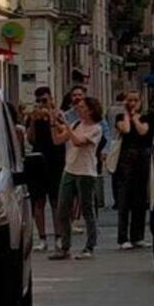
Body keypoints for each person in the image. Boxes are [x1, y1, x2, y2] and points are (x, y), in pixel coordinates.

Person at [50, 97, 104, 260]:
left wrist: (65, 123)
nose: (78, 110)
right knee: (62, 209)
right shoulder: (76, 125)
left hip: (86, 172)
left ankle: (90, 246)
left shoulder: (96, 128)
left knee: (87, 209)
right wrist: (53, 123)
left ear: (91, 110)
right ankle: (65, 247)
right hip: (70, 169)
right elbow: (58, 140)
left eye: (82, 107)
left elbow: (78, 142)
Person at [26, 87, 66, 252]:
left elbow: (62, 134)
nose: (42, 104)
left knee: (56, 200)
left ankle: (58, 236)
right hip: (38, 159)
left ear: (51, 99)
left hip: (55, 160)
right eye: (39, 101)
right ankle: (42, 238)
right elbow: (30, 139)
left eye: (44, 100)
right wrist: (34, 121)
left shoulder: (59, 115)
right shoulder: (33, 117)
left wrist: (51, 117)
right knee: (38, 201)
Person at [115, 91, 152, 250]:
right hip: (125, 161)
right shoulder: (120, 118)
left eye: (136, 100)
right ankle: (123, 237)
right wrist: (127, 114)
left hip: (142, 160)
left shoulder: (146, 117)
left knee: (140, 199)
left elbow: (143, 131)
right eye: (130, 100)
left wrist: (136, 116)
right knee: (124, 200)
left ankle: (138, 236)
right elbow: (127, 130)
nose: (132, 103)